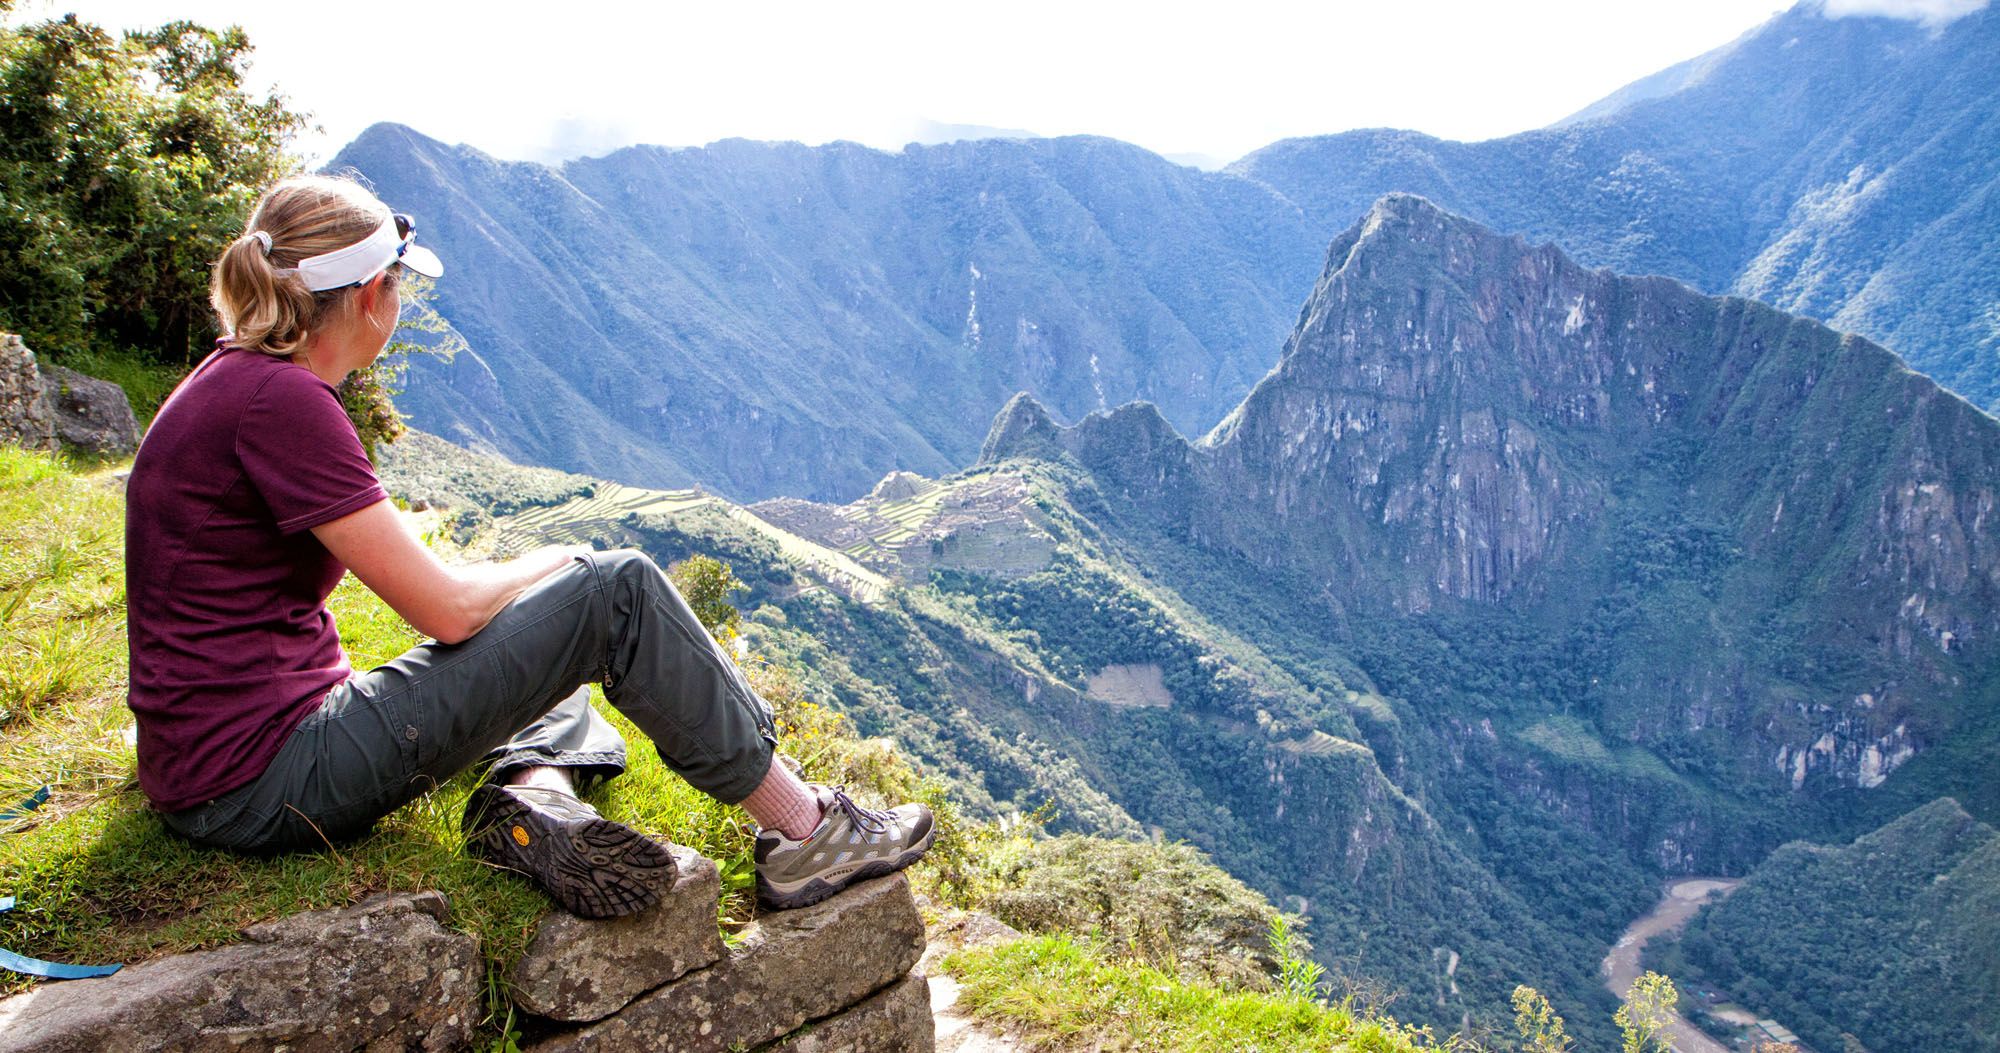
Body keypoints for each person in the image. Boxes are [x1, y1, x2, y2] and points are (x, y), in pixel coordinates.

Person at [124, 174, 933, 918]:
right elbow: (445, 610)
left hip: (215, 761)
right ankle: (808, 832)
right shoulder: (283, 403)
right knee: (614, 591)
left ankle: (534, 792)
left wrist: (539, 593)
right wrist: (562, 561)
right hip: (261, 780)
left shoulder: (231, 380)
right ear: (375, 294)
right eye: (401, 286)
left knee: (548, 635)